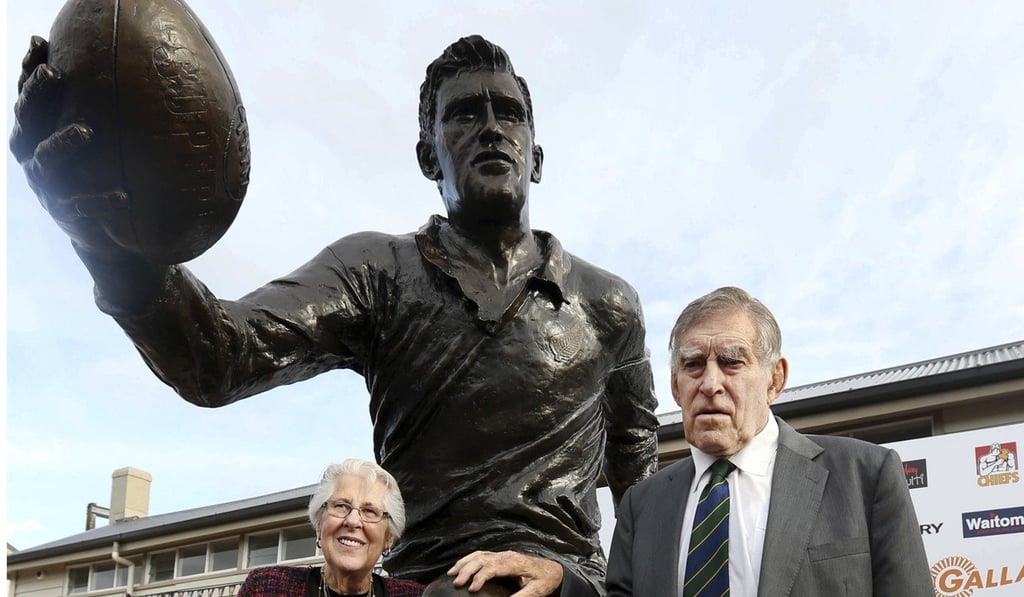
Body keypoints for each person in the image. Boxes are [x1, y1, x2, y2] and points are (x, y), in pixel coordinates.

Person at [10, 34, 659, 597]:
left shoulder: (609, 305)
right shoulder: (376, 272)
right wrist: (100, 233)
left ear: (536, 155)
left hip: (565, 584)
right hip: (426, 585)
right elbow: (222, 357)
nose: (492, 127)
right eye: (464, 114)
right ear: (428, 156)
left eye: (509, 113)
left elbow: (643, 497)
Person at [605, 287, 934, 596]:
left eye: (732, 361)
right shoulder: (641, 505)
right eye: (692, 365)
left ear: (775, 379)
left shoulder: (865, 477)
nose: (709, 383)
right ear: (676, 388)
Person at [239, 459, 424, 597]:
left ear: (389, 538)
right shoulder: (265, 588)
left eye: (369, 511)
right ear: (319, 525)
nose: (352, 521)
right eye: (341, 506)